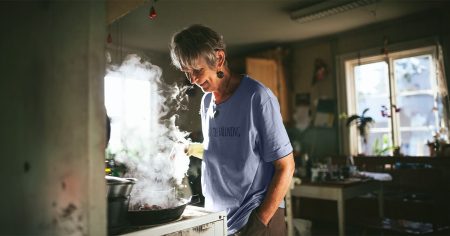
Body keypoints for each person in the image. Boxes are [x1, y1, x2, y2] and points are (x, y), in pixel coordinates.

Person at [170, 24, 295, 236]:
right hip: (219, 219)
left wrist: (259, 222)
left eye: (198, 70)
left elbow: (286, 166)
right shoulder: (207, 101)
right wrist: (188, 148)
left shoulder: (257, 97)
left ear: (218, 59)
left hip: (256, 218)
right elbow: (222, 150)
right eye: (187, 73)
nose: (193, 80)